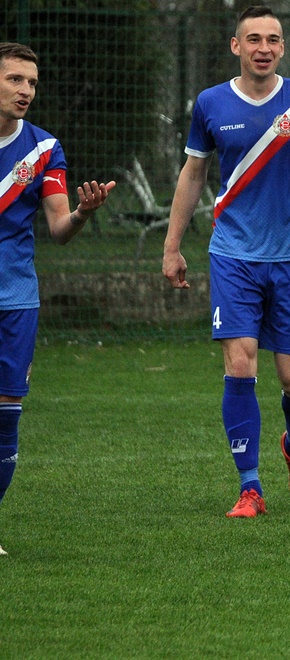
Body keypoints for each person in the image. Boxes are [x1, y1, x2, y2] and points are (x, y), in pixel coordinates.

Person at [161, 6, 290, 519]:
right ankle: (250, 488)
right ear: (235, 46)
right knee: (239, 361)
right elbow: (193, 174)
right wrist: (172, 245)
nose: (263, 47)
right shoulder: (210, 103)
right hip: (233, 256)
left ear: (283, 48)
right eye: (253, 39)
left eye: (272, 39)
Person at [0, 43, 115, 556]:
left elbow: (59, 228)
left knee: (6, 416)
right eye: (15, 80)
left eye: (31, 82)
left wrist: (85, 213)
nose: (25, 90)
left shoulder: (44, 150)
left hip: (16, 299)